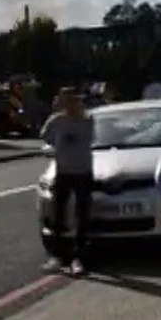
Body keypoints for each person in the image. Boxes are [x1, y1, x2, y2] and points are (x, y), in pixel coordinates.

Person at [40, 87, 94, 276]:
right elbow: (45, 139)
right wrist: (51, 148)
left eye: (72, 100)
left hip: (83, 172)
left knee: (82, 215)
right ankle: (57, 257)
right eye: (66, 100)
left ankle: (79, 258)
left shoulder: (87, 120)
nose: (69, 104)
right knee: (58, 214)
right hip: (63, 172)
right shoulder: (56, 121)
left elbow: (92, 138)